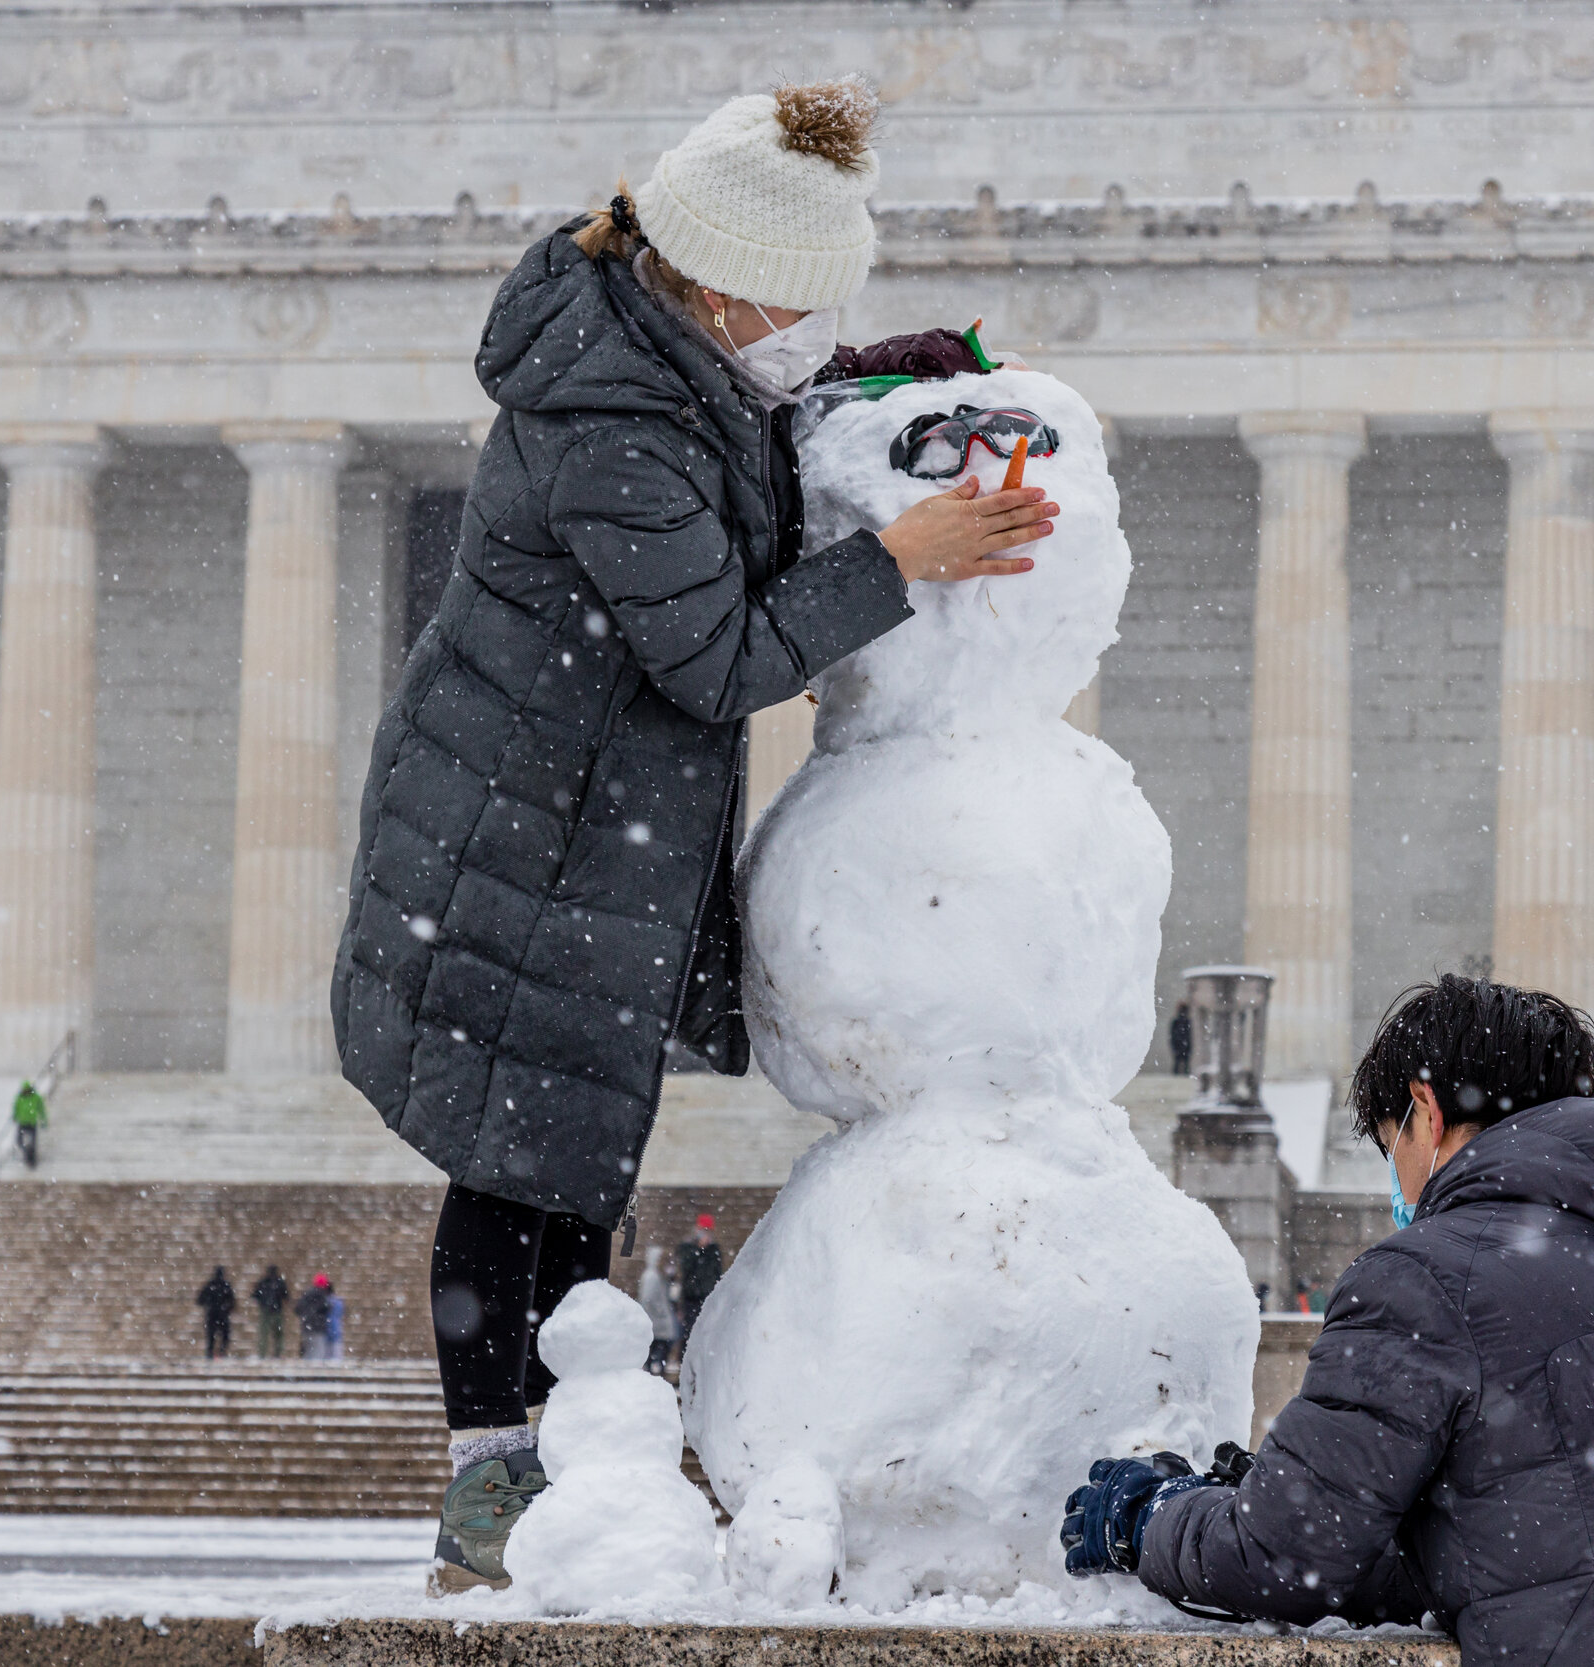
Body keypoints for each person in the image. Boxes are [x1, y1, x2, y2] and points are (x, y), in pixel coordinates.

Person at [323, 79, 1054, 1600]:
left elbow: (748, 462)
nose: (801, 332)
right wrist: (895, 560)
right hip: (517, 838)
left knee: (568, 1158)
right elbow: (718, 651)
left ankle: (565, 1456)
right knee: (519, 1158)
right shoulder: (609, 421)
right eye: (795, 306)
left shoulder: (659, 363)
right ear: (721, 284)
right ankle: (488, 1480)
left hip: (576, 827)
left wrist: (876, 385)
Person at [1061, 975, 1594, 1667]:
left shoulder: (1428, 1276)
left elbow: (1284, 1558)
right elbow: (1527, 1546)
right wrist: (1302, 1494)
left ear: (1424, 1111)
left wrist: (1149, 1516)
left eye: (1390, 1145)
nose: (1398, 1179)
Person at [676, 1216, 726, 1355]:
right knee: (689, 1333)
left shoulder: (714, 1251)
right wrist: (698, 1250)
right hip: (690, 1298)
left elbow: (717, 1273)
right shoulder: (687, 1248)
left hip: (707, 1298)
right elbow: (686, 1269)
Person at [637, 1247, 679, 1375]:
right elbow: (647, 1299)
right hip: (657, 1324)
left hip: (658, 1325)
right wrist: (661, 1312)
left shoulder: (657, 1275)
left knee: (656, 1355)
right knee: (656, 1355)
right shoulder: (652, 1276)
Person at [197, 1265, 237, 1359]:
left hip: (212, 1314)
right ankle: (221, 1352)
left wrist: (209, 1304)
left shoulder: (210, 1285)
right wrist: (226, 1308)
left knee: (211, 1336)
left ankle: (211, 1353)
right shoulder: (225, 1285)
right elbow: (232, 1302)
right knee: (224, 1335)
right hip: (222, 1315)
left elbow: (200, 1300)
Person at [252, 1265, 289, 1359]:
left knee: (264, 1334)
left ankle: (262, 1354)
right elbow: (286, 1296)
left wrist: (263, 1302)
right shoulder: (279, 1282)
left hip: (265, 1311)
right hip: (277, 1311)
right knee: (278, 1335)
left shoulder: (263, 1282)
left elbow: (255, 1295)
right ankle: (278, 1353)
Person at [295, 1273, 333, 1361]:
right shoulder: (322, 1296)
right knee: (318, 1354)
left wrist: (306, 1316)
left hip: (306, 1327)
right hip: (319, 1329)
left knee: (307, 1354)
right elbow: (327, 1308)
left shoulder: (306, 1294)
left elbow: (297, 1309)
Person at [10, 1080, 46, 1169]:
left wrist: (43, 1120)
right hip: (22, 1122)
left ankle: (31, 1160)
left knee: (32, 1143)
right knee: (19, 1142)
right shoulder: (19, 1097)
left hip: (31, 1122)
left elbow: (41, 1109)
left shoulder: (36, 1097)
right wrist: (15, 1116)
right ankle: (27, 1155)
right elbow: (16, 1107)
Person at [1167, 1003, 1193, 1076]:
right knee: (1180, 1065)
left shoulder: (1182, 1021)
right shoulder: (1179, 1021)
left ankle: (1179, 1078)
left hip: (1181, 1045)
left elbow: (1188, 1035)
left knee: (1181, 1065)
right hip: (1181, 1045)